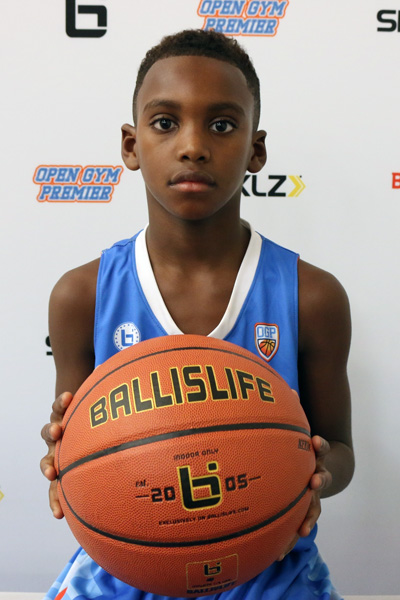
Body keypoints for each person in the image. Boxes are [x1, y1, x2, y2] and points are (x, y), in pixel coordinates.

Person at [40, 29, 354, 600]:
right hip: (126, 565)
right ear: (131, 146)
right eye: (165, 123)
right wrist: (67, 457)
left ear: (256, 150)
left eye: (223, 125)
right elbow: (76, 452)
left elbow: (341, 449)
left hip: (269, 563)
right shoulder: (82, 295)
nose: (193, 146)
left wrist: (313, 475)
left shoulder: (311, 296)